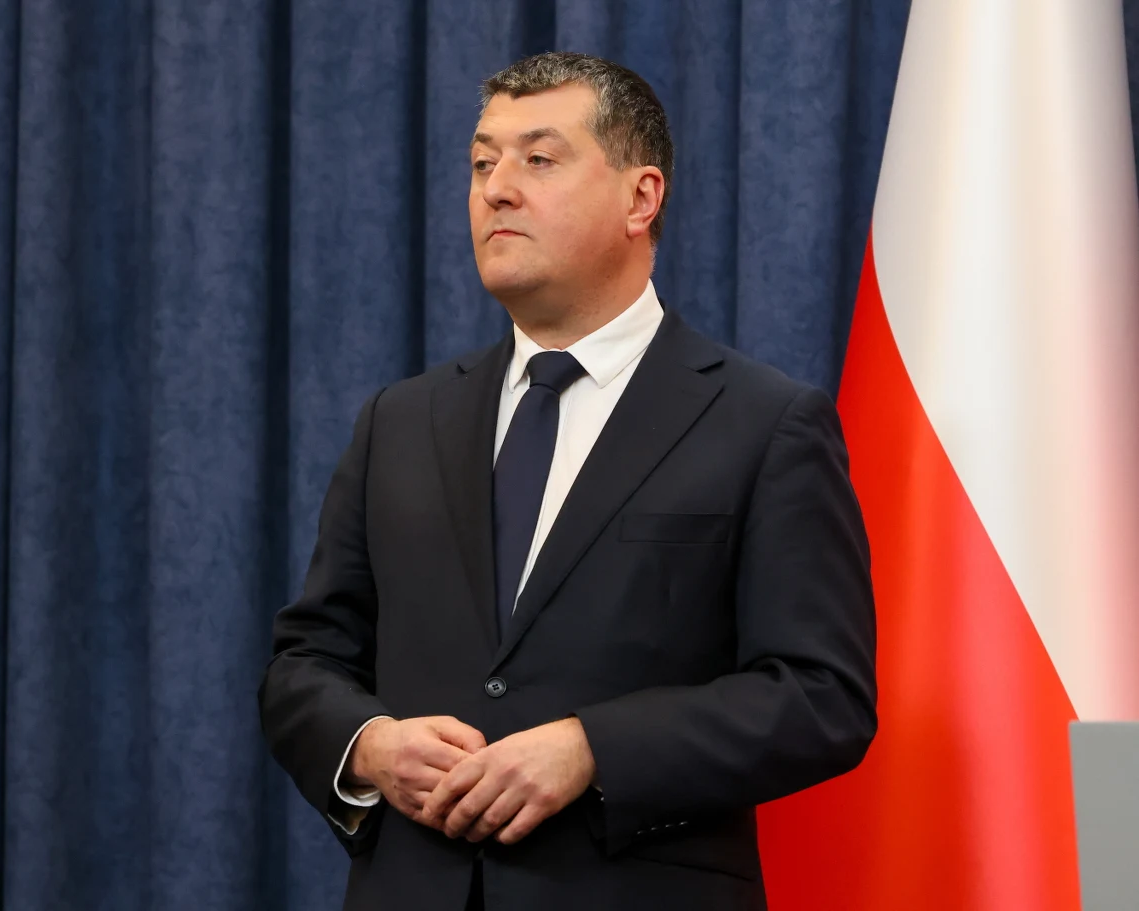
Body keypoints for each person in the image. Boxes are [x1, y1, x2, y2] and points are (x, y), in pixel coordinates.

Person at [258, 51, 877, 911]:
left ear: (641, 198)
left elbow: (822, 695)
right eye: (482, 163)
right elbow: (305, 662)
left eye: (539, 159)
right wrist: (370, 744)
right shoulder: (400, 420)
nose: (496, 190)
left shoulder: (763, 422)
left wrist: (594, 749)